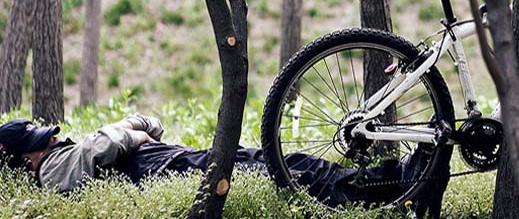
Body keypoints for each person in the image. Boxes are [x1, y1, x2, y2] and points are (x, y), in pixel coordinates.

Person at [0, 115, 412, 207]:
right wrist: (133, 131)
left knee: (280, 162)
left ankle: (389, 179)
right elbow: (101, 148)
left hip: (169, 161)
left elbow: (140, 128)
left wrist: (135, 127)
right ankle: (388, 187)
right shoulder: (50, 169)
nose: (53, 137)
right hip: (164, 169)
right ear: (24, 159)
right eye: (42, 140)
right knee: (282, 174)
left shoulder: (55, 157)